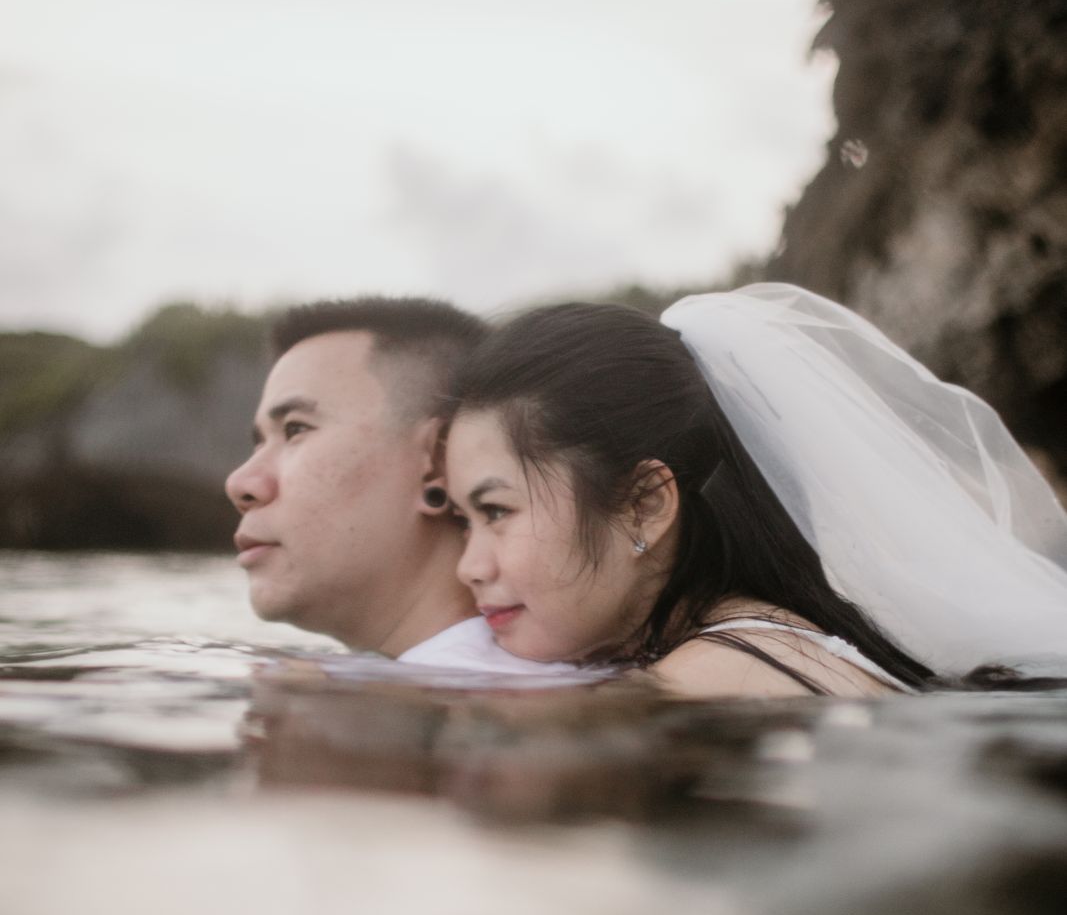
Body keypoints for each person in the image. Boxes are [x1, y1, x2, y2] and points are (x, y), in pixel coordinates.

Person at [445, 285, 1067, 698]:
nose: (468, 566)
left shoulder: (705, 684)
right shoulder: (761, 646)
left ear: (645, 505)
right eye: (461, 520)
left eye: (496, 511)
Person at [224, 296, 577, 676]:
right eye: (259, 443)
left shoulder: (490, 694)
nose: (240, 484)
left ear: (441, 461)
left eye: (296, 429)